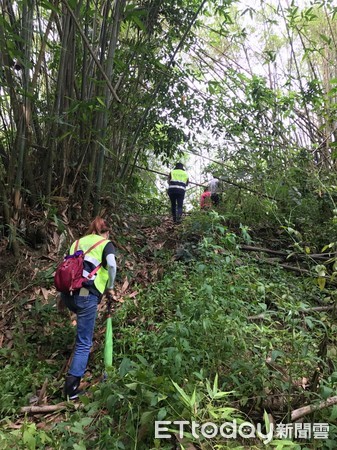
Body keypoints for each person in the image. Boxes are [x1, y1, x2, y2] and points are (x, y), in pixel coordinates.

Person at [61, 216, 117, 399]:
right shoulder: (106, 244)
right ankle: (71, 389)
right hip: (85, 294)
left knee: (83, 329)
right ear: (106, 232)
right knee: (84, 342)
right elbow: (112, 266)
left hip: (67, 294)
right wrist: (110, 287)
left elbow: (65, 266)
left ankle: (76, 365)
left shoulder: (77, 243)